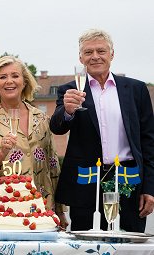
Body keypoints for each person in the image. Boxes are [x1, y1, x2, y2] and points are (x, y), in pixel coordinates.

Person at [50, 29, 154, 232]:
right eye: (88, 52)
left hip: (129, 182)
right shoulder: (70, 90)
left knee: (129, 246)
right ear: (81, 57)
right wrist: (68, 111)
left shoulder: (136, 90)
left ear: (112, 54)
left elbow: (149, 141)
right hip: (86, 184)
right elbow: (57, 127)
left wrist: (150, 188)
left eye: (101, 51)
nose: (95, 56)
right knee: (86, 246)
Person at [0, 56, 68, 228]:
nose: (9, 81)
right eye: (2, 77)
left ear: (24, 82)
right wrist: (1, 153)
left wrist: (61, 211)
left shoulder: (42, 118)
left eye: (15, 76)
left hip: (44, 211)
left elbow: (54, 166)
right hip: (6, 213)